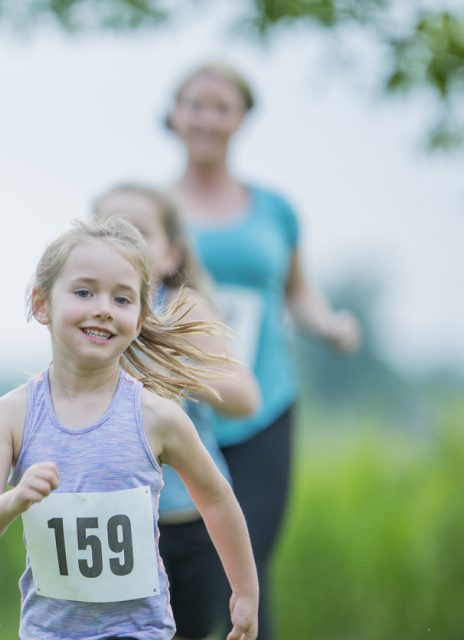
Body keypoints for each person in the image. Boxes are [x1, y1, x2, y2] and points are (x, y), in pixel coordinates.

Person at [0, 217, 259, 640]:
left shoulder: (159, 417)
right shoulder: (12, 415)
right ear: (42, 303)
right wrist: (15, 500)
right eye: (84, 292)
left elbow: (216, 497)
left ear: (138, 320)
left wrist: (245, 592)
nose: (102, 308)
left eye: (121, 299)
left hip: (141, 632)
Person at [164, 62, 361, 639]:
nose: (207, 117)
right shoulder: (150, 210)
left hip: (262, 403)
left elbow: (298, 290)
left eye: (221, 106)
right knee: (184, 571)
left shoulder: (275, 209)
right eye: (195, 103)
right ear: (175, 115)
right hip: (177, 412)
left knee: (248, 560)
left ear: (242, 119)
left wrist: (330, 325)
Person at [93, 183, 260, 640]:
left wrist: (170, 374)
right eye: (109, 230)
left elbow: (245, 396)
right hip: (111, 518)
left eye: (139, 232)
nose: (124, 242)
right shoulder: (87, 315)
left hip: (186, 520)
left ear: (170, 255)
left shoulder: (182, 307)